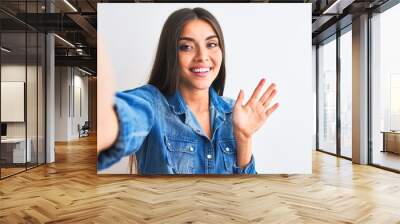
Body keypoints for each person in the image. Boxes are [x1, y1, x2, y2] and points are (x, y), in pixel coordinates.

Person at [97, 7, 279, 174]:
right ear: (170, 54)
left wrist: (244, 138)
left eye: (211, 44)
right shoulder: (152, 103)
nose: (202, 56)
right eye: (186, 47)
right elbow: (118, 121)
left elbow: (246, 193)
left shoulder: (235, 112)